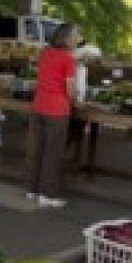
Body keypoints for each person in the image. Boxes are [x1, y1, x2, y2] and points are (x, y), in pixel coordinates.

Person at [26, 22, 82, 208]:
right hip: (57, 110)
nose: (78, 39)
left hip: (39, 105)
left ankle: (32, 189)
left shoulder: (45, 53)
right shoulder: (68, 59)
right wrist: (76, 101)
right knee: (53, 152)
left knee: (38, 150)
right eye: (76, 35)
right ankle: (47, 194)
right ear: (68, 38)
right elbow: (70, 88)